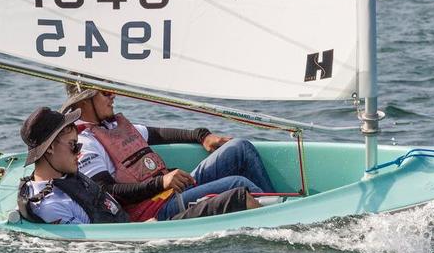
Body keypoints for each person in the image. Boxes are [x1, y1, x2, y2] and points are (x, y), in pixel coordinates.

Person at [62, 86, 276, 222]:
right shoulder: (85, 143)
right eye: (106, 92)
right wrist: (161, 183)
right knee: (236, 183)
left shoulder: (112, 126)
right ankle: (278, 220)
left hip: (169, 191)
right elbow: (106, 192)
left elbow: (159, 134)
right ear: (83, 101)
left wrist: (203, 136)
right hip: (152, 210)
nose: (113, 95)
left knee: (239, 148)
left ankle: (278, 206)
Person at [16, 106, 255, 224]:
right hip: (148, 233)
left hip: (141, 227)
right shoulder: (51, 205)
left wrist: (201, 135)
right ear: (49, 149)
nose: (78, 154)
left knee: (238, 180)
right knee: (238, 193)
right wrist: (143, 231)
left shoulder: (67, 176)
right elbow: (87, 251)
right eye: (73, 147)